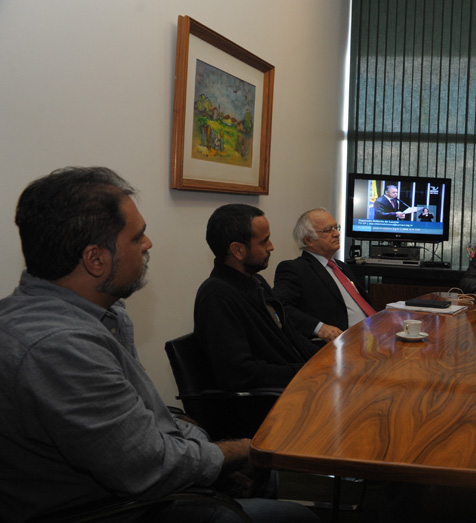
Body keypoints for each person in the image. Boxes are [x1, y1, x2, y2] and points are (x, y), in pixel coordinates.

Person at [0, 167, 316, 522]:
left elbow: (145, 423)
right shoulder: (59, 347)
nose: (148, 245)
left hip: (144, 483)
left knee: (264, 481)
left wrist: (206, 449)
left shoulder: (100, 315)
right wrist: (243, 450)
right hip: (115, 509)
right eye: (137, 238)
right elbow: (149, 467)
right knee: (297, 516)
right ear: (96, 259)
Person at [194, 204, 317, 391]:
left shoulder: (255, 281)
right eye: (263, 241)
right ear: (238, 250)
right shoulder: (216, 296)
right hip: (270, 403)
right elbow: (239, 374)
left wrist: (329, 362)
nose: (271, 247)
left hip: (299, 384)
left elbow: (291, 337)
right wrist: (307, 372)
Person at [274, 208, 375, 344]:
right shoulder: (295, 269)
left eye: (336, 227)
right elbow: (279, 307)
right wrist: (319, 327)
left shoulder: (341, 266)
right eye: (328, 230)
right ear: (308, 240)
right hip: (343, 343)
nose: (337, 234)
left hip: (372, 335)